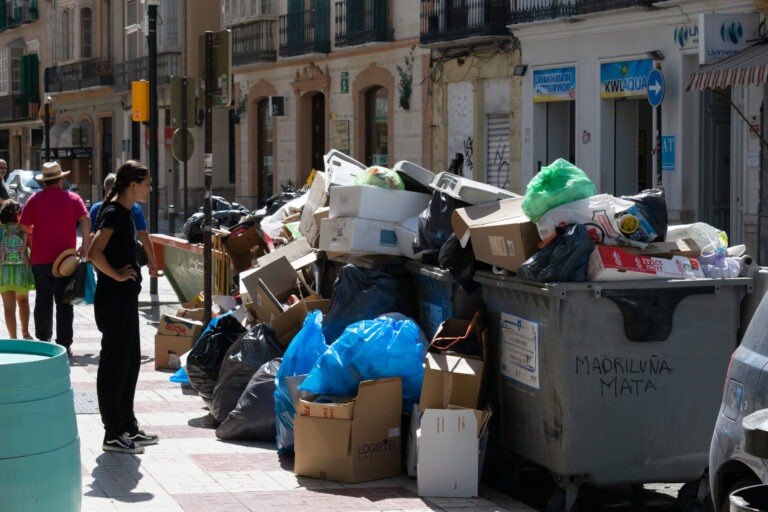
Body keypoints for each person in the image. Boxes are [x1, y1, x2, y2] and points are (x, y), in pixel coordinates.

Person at [89, 160, 157, 454]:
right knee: (115, 365)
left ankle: (127, 426)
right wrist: (116, 274)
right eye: (147, 183)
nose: (150, 189)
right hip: (114, 301)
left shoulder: (126, 212)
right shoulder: (115, 212)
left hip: (125, 299)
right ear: (132, 184)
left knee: (129, 362)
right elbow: (93, 252)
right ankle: (113, 432)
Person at [19, 161, 90, 356]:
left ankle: (44, 340)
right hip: (65, 261)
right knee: (65, 302)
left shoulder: (33, 200)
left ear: (44, 182)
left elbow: (24, 228)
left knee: (43, 299)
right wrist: (85, 245)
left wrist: (38, 231)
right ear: (60, 179)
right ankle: (64, 345)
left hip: (39, 259)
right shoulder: (73, 198)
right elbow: (86, 218)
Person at [90, 173, 157, 277]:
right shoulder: (134, 208)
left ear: (105, 191)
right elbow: (143, 235)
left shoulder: (96, 209)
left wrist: (93, 260)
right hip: (129, 262)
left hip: (104, 264)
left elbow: (91, 237)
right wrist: (152, 260)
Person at [0, 199, 33, 339]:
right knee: (23, 302)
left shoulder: (0, 231)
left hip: (4, 274)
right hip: (21, 272)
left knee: (9, 308)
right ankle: (25, 332)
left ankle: (13, 338)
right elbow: (32, 248)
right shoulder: (23, 230)